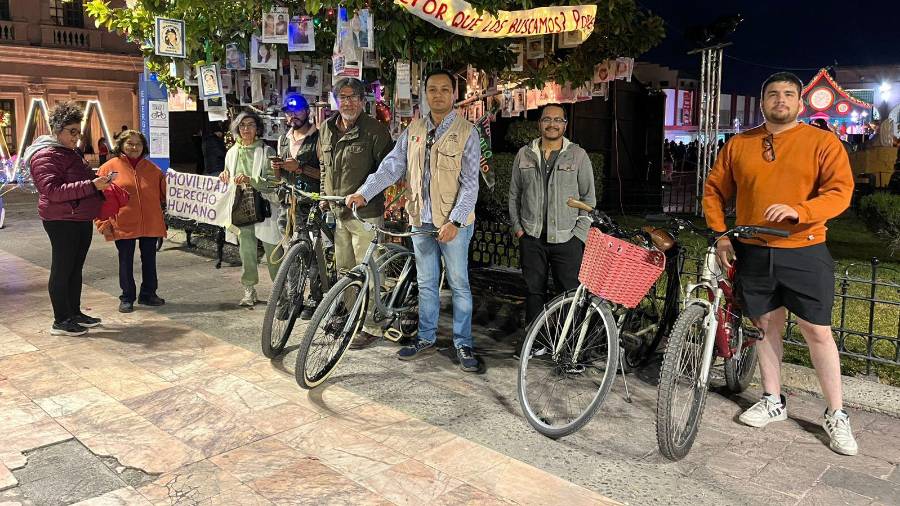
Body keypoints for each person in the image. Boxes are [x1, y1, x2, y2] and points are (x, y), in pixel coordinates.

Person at [703, 72, 857, 456]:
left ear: (800, 103)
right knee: (765, 327)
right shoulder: (740, 143)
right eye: (773, 94)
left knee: (818, 331)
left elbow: (840, 192)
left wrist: (800, 210)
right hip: (753, 248)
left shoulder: (822, 142)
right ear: (762, 102)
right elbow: (714, 189)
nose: (781, 100)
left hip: (805, 247)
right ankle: (773, 399)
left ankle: (836, 413)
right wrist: (721, 234)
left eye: (789, 94)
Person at [346, 69, 481, 372]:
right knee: (426, 283)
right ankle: (425, 336)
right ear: (425, 94)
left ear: (453, 94)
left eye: (445, 89)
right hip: (421, 219)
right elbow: (392, 167)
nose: (438, 95)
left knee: (459, 284)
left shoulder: (467, 132)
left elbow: (471, 184)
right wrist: (364, 193)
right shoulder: (414, 130)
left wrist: (456, 222)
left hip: (453, 224)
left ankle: (463, 342)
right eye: (432, 89)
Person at [508, 104, 596, 355]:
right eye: (547, 119)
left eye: (558, 120)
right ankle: (536, 343)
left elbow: (588, 200)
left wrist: (579, 235)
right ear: (540, 123)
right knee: (534, 291)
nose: (552, 124)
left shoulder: (577, 155)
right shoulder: (525, 154)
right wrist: (518, 229)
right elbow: (514, 195)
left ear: (565, 125)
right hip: (532, 237)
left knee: (568, 295)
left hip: (567, 237)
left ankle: (569, 347)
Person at [319, 78, 393, 347]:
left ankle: (371, 326)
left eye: (353, 97)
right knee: (346, 270)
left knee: (371, 271)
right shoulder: (326, 128)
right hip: (339, 212)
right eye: (343, 97)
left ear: (363, 101)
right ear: (336, 100)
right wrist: (324, 195)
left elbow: (387, 172)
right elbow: (324, 165)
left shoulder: (375, 131)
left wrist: (365, 195)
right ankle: (351, 316)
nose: (348, 102)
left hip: (366, 214)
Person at [25, 102, 108, 336]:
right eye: (72, 131)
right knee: (62, 269)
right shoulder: (45, 155)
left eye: (78, 131)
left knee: (75, 268)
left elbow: (76, 181)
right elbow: (52, 190)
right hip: (61, 219)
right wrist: (91, 184)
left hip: (79, 217)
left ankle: (74, 312)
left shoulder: (69, 152)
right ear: (57, 130)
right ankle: (61, 320)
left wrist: (97, 182)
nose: (77, 136)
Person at [95, 130, 167, 313]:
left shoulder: (154, 170)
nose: (134, 147)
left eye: (138, 144)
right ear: (121, 145)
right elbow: (98, 199)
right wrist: (102, 223)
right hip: (123, 223)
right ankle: (127, 297)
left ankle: (149, 294)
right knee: (125, 260)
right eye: (130, 144)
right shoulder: (108, 168)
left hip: (150, 222)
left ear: (144, 147)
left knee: (149, 259)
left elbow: (166, 195)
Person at [220, 111, 282, 306]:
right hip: (241, 208)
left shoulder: (266, 151)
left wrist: (251, 180)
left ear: (258, 128)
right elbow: (229, 177)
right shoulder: (232, 152)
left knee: (273, 250)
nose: (246, 129)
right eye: (242, 125)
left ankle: (280, 292)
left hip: (264, 207)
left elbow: (274, 183)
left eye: (250, 124)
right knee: (246, 252)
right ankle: (249, 290)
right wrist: (225, 175)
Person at [271, 94, 322, 320]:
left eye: (297, 111)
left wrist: (300, 167)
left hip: (311, 202)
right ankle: (294, 299)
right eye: (289, 112)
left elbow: (326, 174)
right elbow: (280, 176)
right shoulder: (283, 139)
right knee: (291, 253)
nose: (293, 116)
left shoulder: (319, 137)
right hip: (288, 204)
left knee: (312, 253)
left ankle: (316, 298)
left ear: (307, 111)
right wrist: (277, 167)